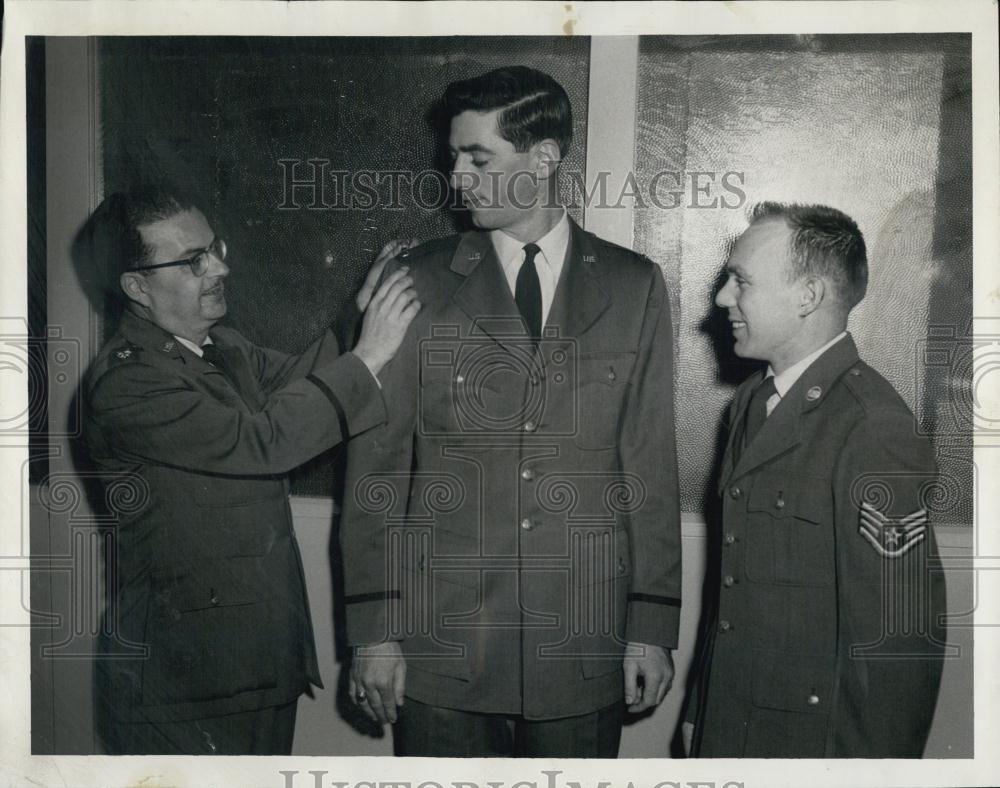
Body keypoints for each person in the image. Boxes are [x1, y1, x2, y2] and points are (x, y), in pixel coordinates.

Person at [338, 66, 682, 758]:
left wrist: (651, 627)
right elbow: (376, 469)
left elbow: (648, 468)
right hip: (443, 646)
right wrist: (373, 632)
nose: (457, 178)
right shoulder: (417, 281)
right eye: (454, 157)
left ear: (544, 157)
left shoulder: (633, 286)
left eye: (479, 158)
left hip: (580, 643)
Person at [82, 186, 419, 754]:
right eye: (193, 261)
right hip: (182, 678)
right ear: (137, 287)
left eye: (213, 248)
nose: (219, 267)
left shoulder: (221, 347)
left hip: (255, 661)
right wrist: (370, 355)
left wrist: (360, 314)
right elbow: (264, 441)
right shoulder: (128, 383)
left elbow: (305, 383)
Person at [683, 202, 947, 757]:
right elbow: (732, 590)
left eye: (741, 281)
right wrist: (699, 709)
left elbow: (898, 646)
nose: (722, 298)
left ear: (807, 296)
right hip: (731, 725)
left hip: (807, 745)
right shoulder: (752, 402)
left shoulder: (872, 427)